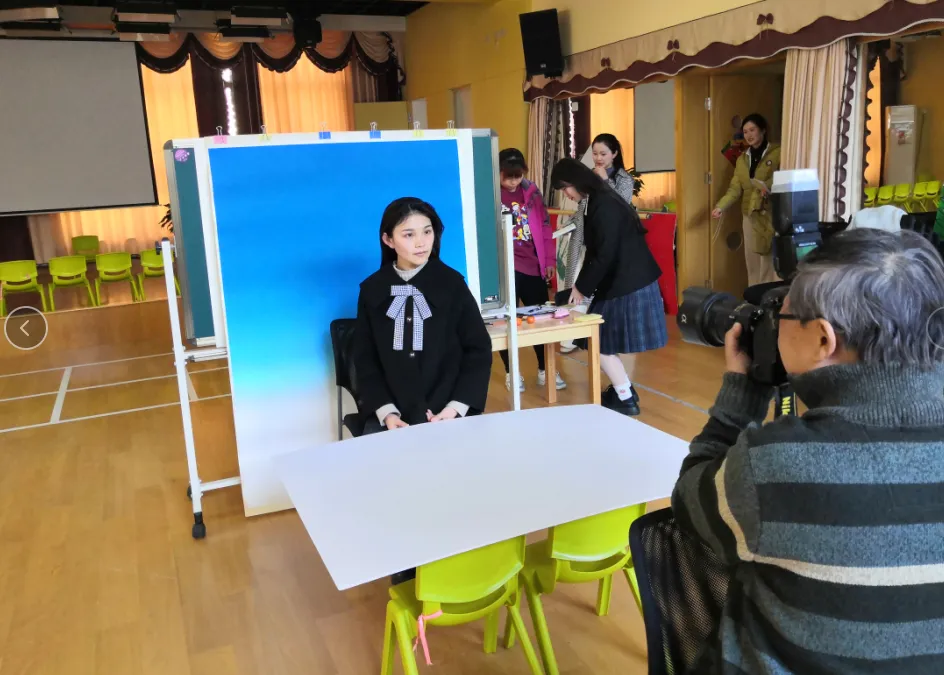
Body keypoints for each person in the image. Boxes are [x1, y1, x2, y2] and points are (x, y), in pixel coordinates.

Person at [672, 229, 944, 673]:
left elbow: (689, 503)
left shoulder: (775, 465)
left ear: (823, 339)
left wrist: (739, 400)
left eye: (781, 313)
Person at [353, 197, 492, 436]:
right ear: (388, 240)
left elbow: (478, 349)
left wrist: (456, 407)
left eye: (427, 232)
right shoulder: (372, 290)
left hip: (449, 411)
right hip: (391, 415)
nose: (421, 243)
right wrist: (386, 411)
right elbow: (365, 358)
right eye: (408, 235)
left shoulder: (452, 284)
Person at [551, 158, 666, 416]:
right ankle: (624, 389)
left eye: (565, 188)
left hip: (628, 282)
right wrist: (580, 287)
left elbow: (604, 255)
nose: (566, 194)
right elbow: (597, 253)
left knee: (598, 342)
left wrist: (581, 289)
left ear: (577, 181)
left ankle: (625, 396)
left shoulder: (603, 205)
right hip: (623, 280)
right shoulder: (597, 200)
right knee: (598, 340)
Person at [496, 148, 565, 393]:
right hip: (504, 266)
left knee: (541, 319)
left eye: (518, 176)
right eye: (508, 176)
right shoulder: (490, 193)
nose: (514, 181)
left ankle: (546, 369)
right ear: (498, 172)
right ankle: (511, 371)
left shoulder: (532, 192)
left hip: (532, 265)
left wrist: (549, 261)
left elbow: (545, 227)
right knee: (505, 322)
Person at [562, 133, 637, 354]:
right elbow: (583, 205)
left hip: (611, 243)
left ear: (614, 153)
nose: (598, 158)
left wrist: (605, 181)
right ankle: (574, 337)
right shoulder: (589, 175)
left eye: (603, 154)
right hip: (587, 236)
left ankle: (604, 340)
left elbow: (621, 207)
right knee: (577, 283)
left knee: (602, 289)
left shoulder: (624, 179)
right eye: (595, 154)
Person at [712, 113, 781, 287]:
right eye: (745, 131)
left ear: (762, 130)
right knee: (752, 261)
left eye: (752, 130)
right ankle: (754, 296)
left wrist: (768, 186)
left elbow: (783, 177)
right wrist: (720, 207)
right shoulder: (742, 159)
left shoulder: (778, 152)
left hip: (769, 213)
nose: (749, 135)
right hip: (749, 215)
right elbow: (735, 189)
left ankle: (768, 298)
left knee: (768, 261)